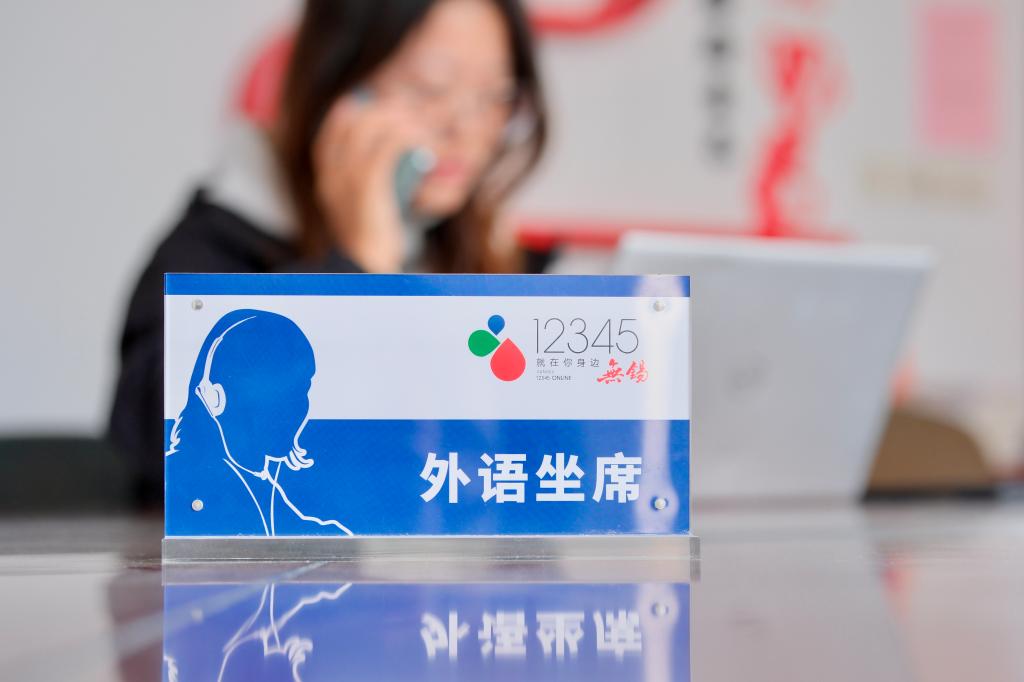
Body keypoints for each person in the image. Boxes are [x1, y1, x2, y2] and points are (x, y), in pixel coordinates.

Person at [109, 0, 548, 505]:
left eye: (496, 96)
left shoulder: (482, 252)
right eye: (430, 88)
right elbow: (161, 440)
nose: (466, 128)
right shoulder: (218, 245)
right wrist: (359, 264)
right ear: (338, 89)